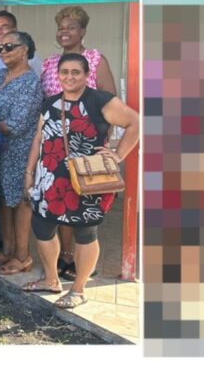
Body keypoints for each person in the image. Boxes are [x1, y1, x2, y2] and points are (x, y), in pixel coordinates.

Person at [22, 53, 139, 309]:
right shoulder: (50, 103)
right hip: (50, 178)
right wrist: (29, 173)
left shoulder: (100, 100)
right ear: (58, 75)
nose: (70, 77)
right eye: (64, 72)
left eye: (76, 72)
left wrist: (118, 154)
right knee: (42, 227)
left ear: (87, 75)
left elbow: (136, 122)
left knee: (85, 232)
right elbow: (39, 139)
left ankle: (78, 289)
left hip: (87, 179)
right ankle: (51, 279)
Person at [40, 6, 117, 279]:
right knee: (61, 199)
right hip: (55, 146)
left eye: (71, 27)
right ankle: (65, 255)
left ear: (83, 31)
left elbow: (110, 100)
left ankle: (84, 263)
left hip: (87, 145)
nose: (65, 32)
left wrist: (105, 144)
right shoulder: (50, 63)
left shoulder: (95, 59)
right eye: (61, 27)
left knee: (85, 205)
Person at [0, 11, 42, 252]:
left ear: (24, 50)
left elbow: (16, 124)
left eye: (9, 47)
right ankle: (7, 251)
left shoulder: (30, 82)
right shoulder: (1, 75)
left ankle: (22, 256)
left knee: (20, 203)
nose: (3, 52)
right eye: (0, 48)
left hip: (19, 152)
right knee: (1, 200)